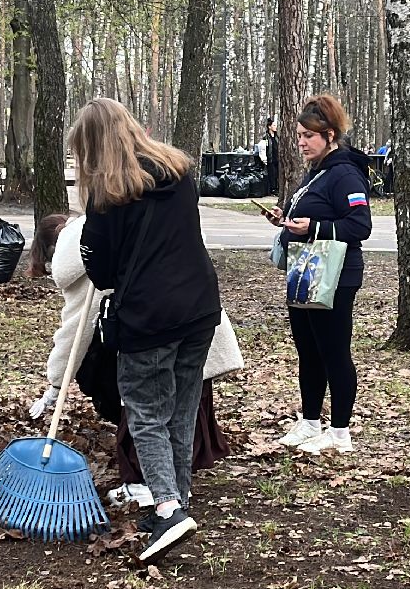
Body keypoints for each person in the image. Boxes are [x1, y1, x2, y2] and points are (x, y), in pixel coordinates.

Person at [75, 97, 221, 564]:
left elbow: (99, 269)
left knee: (145, 409)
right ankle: (180, 496)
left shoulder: (107, 195)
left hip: (148, 315)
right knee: (180, 405)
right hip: (198, 305)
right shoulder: (178, 172)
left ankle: (167, 507)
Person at [30, 213, 241, 512]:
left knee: (146, 411)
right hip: (198, 320)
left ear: (54, 248)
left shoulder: (89, 251)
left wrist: (55, 382)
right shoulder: (131, 220)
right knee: (182, 411)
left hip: (155, 331)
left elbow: (75, 329)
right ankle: (177, 490)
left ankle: (149, 490)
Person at [261, 94, 371, 457]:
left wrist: (316, 226)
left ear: (330, 135)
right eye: (298, 136)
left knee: (334, 351)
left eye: (309, 136)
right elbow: (306, 217)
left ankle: (340, 432)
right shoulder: (316, 174)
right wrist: (284, 218)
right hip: (305, 270)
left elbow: (360, 224)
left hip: (336, 274)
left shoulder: (345, 173)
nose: (302, 143)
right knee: (307, 351)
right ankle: (310, 421)